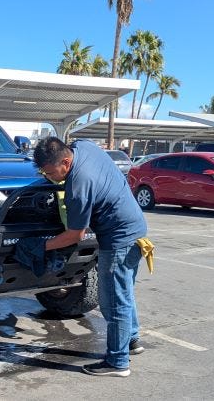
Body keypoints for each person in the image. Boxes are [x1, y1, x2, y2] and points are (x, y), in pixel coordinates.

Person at [25, 137, 148, 377]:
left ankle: (117, 362)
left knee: (113, 302)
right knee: (124, 293)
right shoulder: (85, 146)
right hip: (136, 230)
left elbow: (74, 235)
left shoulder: (79, 184)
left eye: (51, 172)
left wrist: (42, 246)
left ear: (67, 162)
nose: (48, 177)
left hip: (119, 240)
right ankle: (132, 339)